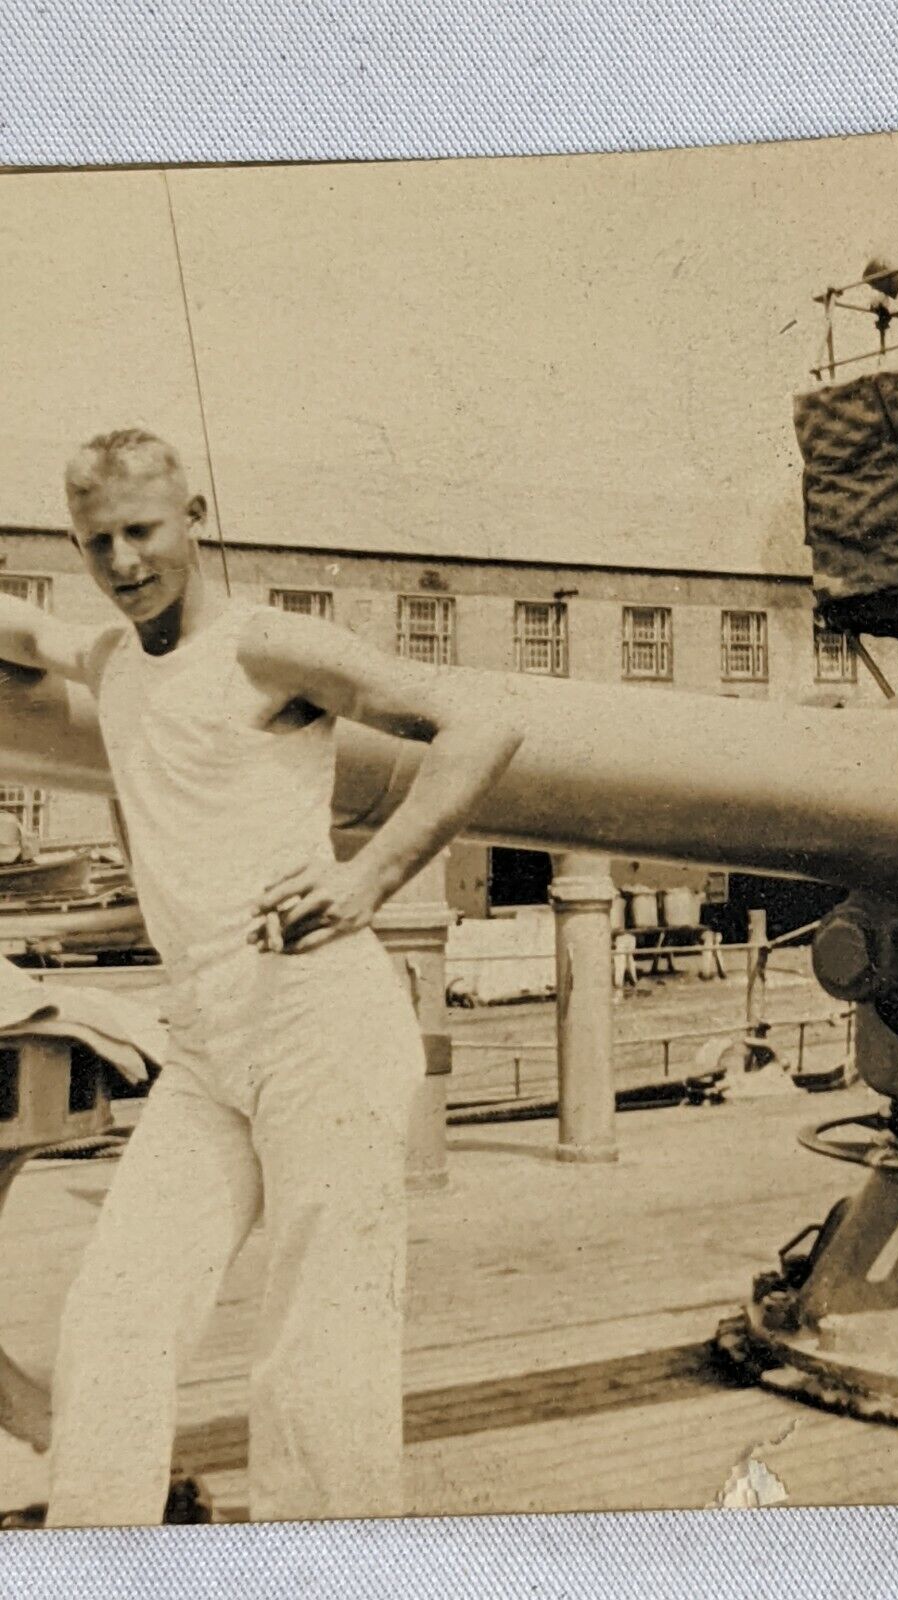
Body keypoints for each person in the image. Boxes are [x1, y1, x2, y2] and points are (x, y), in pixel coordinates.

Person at [0, 429, 523, 1526]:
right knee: (114, 1313)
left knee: (320, 1347)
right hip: (206, 1041)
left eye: (144, 531)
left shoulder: (266, 646)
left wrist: (372, 875)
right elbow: (28, 629)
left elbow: (482, 722)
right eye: (98, 543)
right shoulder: (111, 661)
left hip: (316, 1024)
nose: (125, 561)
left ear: (195, 513)